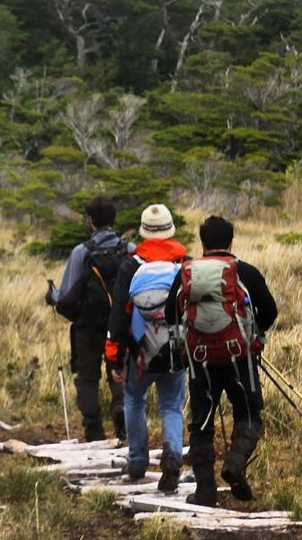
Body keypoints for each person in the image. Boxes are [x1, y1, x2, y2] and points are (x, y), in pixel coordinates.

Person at [166, 214, 278, 507]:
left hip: (200, 360)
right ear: (230, 241)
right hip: (240, 357)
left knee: (201, 424)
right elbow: (270, 311)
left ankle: (205, 491)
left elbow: (170, 315)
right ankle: (235, 463)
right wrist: (254, 334)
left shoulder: (185, 273)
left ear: (203, 244)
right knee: (249, 414)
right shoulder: (246, 273)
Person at [105, 203, 188, 491]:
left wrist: (113, 357)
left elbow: (118, 313)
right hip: (175, 352)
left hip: (138, 353)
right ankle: (173, 457)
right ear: (170, 229)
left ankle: (137, 461)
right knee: (171, 406)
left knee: (134, 401)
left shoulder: (131, 266)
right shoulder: (183, 263)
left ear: (144, 231)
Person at [45, 195, 133, 442]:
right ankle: (121, 409)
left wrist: (52, 296)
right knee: (119, 369)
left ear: (91, 221)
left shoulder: (82, 252)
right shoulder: (129, 250)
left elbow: (66, 295)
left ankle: (93, 430)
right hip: (121, 324)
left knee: (87, 376)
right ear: (114, 220)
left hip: (88, 326)